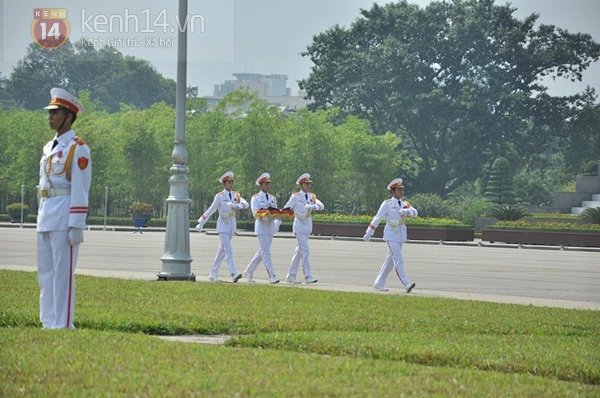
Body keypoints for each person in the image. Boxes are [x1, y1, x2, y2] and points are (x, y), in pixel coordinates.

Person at [36, 88, 91, 329]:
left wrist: (76, 224)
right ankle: (48, 322)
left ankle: (63, 324)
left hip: (64, 217)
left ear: (69, 116)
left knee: (63, 276)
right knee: (45, 274)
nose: (50, 117)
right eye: (49, 113)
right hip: (46, 214)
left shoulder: (78, 148)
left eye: (55, 113)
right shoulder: (49, 147)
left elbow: (80, 188)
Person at [363, 178, 418, 293]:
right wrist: (369, 232)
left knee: (390, 261)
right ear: (393, 191)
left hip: (401, 234)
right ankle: (406, 283)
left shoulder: (405, 204)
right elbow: (377, 218)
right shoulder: (387, 204)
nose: (401, 192)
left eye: (402, 189)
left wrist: (407, 211)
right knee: (398, 259)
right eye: (399, 190)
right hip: (391, 234)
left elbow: (415, 213)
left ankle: (379, 283)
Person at [196, 171, 249, 282]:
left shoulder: (236, 195)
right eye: (229, 182)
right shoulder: (220, 196)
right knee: (228, 249)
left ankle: (213, 273)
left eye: (232, 182)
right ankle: (233, 273)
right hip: (223, 225)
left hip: (231, 224)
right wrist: (201, 222)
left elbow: (246, 204)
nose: (231, 184)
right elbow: (211, 210)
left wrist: (236, 205)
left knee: (222, 251)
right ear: (224, 184)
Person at [283, 173, 324, 284]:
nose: (308, 186)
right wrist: (277, 221)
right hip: (299, 225)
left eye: (309, 184)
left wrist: (313, 206)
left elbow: (321, 206)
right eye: (306, 184)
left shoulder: (312, 197)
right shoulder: (296, 196)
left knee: (299, 252)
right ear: (301, 184)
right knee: (305, 250)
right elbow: (286, 209)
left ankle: (291, 275)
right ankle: (307, 276)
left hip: (307, 225)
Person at [242, 173, 281, 284]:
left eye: (269, 184)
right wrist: (266, 215)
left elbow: (275, 211)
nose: (268, 186)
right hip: (262, 227)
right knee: (266, 252)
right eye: (266, 184)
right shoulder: (256, 198)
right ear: (261, 185)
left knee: (262, 252)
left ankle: (249, 271)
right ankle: (272, 276)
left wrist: (280, 216)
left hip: (270, 227)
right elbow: (255, 213)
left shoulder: (273, 198)